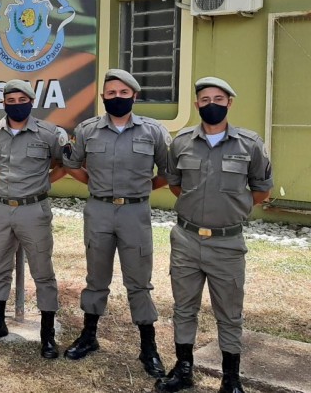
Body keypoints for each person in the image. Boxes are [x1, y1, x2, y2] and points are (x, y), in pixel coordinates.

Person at [156, 77, 272, 393]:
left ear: (229, 103)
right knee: (184, 308)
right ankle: (183, 370)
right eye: (205, 99)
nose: (211, 104)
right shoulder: (181, 143)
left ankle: (231, 380)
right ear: (196, 104)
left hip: (227, 243)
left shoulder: (250, 144)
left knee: (229, 314)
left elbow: (262, 189)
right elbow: (175, 183)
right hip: (186, 240)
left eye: (218, 99)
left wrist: (233, 208)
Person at [62, 69, 169, 377]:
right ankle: (89, 336)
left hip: (135, 213)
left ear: (134, 96)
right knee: (96, 277)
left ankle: (148, 348)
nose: (117, 98)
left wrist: (143, 189)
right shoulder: (88, 130)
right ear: (103, 97)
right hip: (99, 211)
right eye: (111, 93)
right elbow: (72, 165)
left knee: (139, 281)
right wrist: (95, 184)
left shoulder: (153, 132)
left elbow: (168, 171)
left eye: (124, 93)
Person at [0, 79, 67, 359]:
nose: (16, 105)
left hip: (34, 210)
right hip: (1, 209)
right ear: (3, 103)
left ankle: (47, 334)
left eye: (21, 100)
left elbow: (63, 164)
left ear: (31, 101)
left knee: (42, 272)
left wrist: (43, 183)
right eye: (10, 101)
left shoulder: (49, 133)